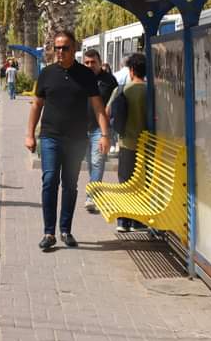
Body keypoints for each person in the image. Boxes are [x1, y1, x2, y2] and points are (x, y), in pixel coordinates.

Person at [25, 31, 111, 250]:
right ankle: (48, 232)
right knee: (50, 179)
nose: (60, 52)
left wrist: (104, 134)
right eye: (57, 48)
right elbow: (37, 105)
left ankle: (65, 230)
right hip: (50, 136)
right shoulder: (46, 73)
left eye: (65, 48)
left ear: (74, 50)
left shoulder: (85, 75)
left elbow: (98, 106)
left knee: (70, 185)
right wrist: (29, 134)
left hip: (76, 139)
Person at [110, 53, 148, 232]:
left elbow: (109, 111)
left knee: (125, 181)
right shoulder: (152, 91)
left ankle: (123, 221)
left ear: (131, 70)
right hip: (148, 145)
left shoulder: (121, 89)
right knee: (142, 183)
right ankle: (137, 221)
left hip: (127, 143)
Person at [81, 49, 118, 214]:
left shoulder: (109, 80)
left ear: (99, 62)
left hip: (99, 129)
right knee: (90, 162)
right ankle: (95, 190)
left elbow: (117, 102)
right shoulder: (79, 78)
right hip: (82, 128)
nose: (89, 66)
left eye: (93, 62)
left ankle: (92, 196)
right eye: (86, 63)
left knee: (97, 161)